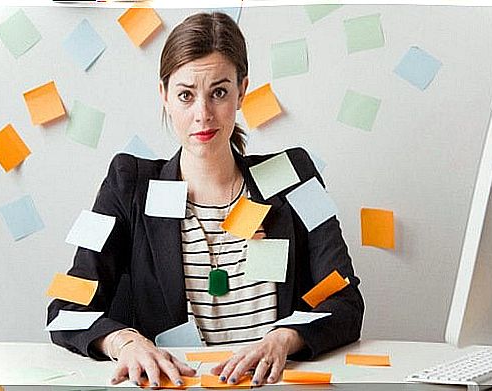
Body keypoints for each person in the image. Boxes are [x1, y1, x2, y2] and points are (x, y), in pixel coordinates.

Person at [47, 11, 364, 388]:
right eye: (185, 95)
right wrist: (125, 342)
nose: (203, 115)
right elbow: (66, 312)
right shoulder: (128, 184)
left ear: (242, 91)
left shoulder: (293, 176)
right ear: (164, 96)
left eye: (219, 92)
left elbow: (346, 302)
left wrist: (284, 338)